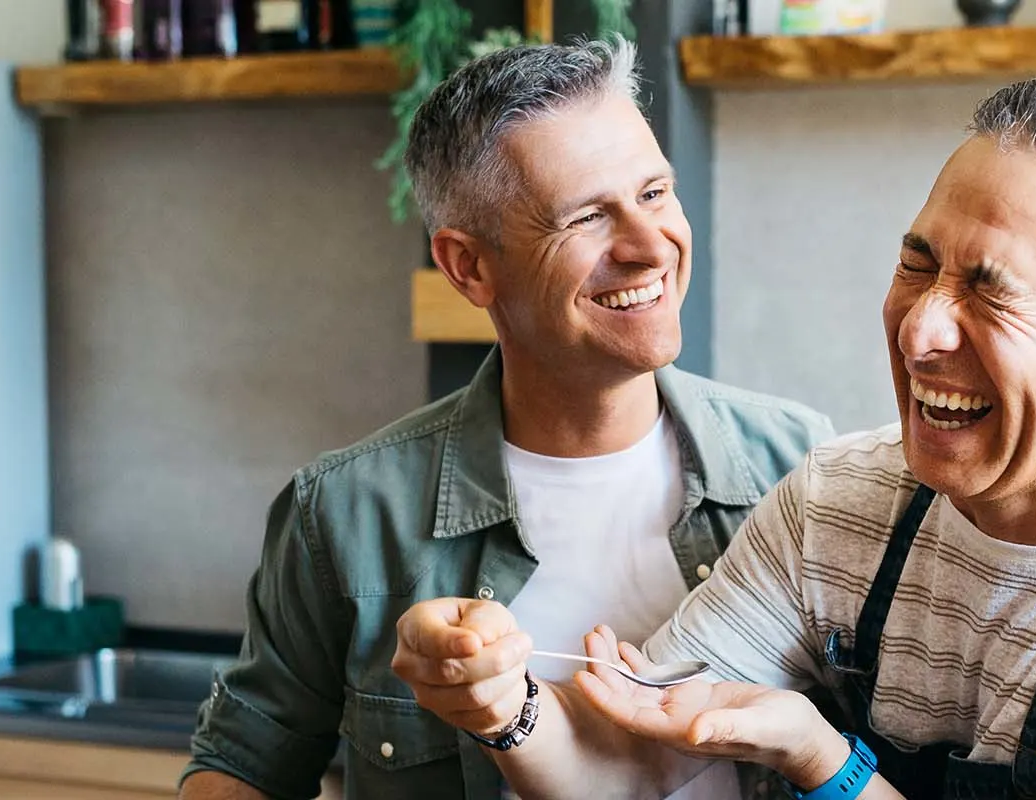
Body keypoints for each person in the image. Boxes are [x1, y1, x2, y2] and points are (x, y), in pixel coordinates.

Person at [391, 74, 1036, 799]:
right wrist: (502, 707)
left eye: (992, 292)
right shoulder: (838, 503)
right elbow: (622, 763)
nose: (920, 330)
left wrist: (827, 763)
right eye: (917, 265)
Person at [177, 38, 835, 800]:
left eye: (655, 194)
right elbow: (242, 769)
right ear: (469, 267)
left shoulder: (805, 468)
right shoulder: (346, 514)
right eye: (587, 217)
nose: (652, 246)